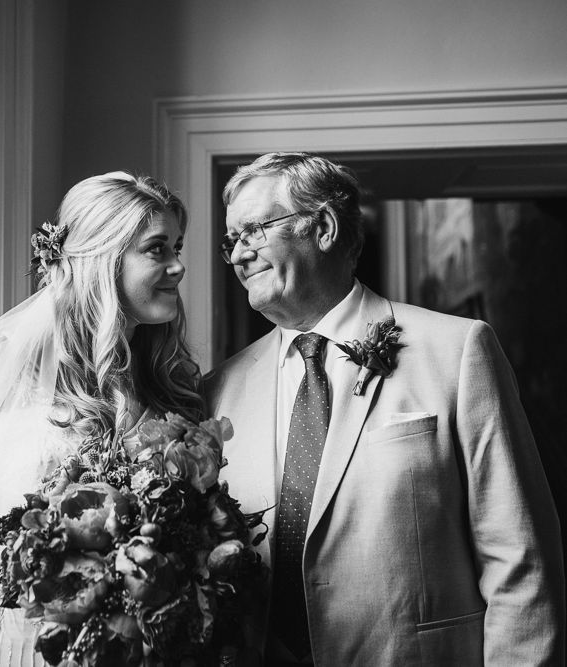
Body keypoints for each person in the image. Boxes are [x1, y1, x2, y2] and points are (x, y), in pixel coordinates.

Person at [204, 152, 565, 666]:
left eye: (255, 231)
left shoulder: (458, 351)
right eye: (232, 241)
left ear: (324, 227)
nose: (240, 255)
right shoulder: (219, 390)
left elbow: (520, 558)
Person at [0, 171, 203, 665]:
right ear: (104, 259)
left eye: (177, 246)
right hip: (13, 639)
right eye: (157, 249)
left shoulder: (167, 377)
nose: (179, 265)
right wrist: (31, 580)